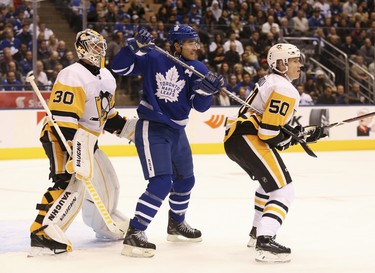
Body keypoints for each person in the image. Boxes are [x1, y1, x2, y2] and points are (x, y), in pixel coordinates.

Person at [111, 24, 223, 258]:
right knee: (162, 182)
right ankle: (136, 232)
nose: (196, 47)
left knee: (186, 180)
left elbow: (199, 107)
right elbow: (118, 67)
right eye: (191, 43)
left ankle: (176, 224)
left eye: (196, 43)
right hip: (153, 127)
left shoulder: (197, 67)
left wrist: (206, 92)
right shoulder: (153, 57)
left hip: (177, 132)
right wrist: (134, 46)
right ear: (176, 45)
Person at [29, 29, 136, 256]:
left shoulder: (107, 77)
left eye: (100, 45)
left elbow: (106, 116)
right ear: (81, 49)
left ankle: (104, 225)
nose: (100, 49)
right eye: (94, 46)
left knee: (110, 185)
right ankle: (43, 231)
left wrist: (127, 129)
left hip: (87, 141)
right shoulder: (71, 74)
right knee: (69, 184)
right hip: (62, 137)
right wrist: (74, 154)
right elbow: (63, 119)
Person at [223, 43, 326, 263]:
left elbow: (272, 129)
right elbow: (269, 133)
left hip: (237, 138)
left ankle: (256, 232)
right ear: (280, 64)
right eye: (294, 60)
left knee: (268, 185)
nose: (300, 64)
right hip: (246, 138)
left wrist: (299, 135)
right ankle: (265, 240)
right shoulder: (285, 88)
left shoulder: (272, 82)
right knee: (284, 190)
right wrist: (298, 137)